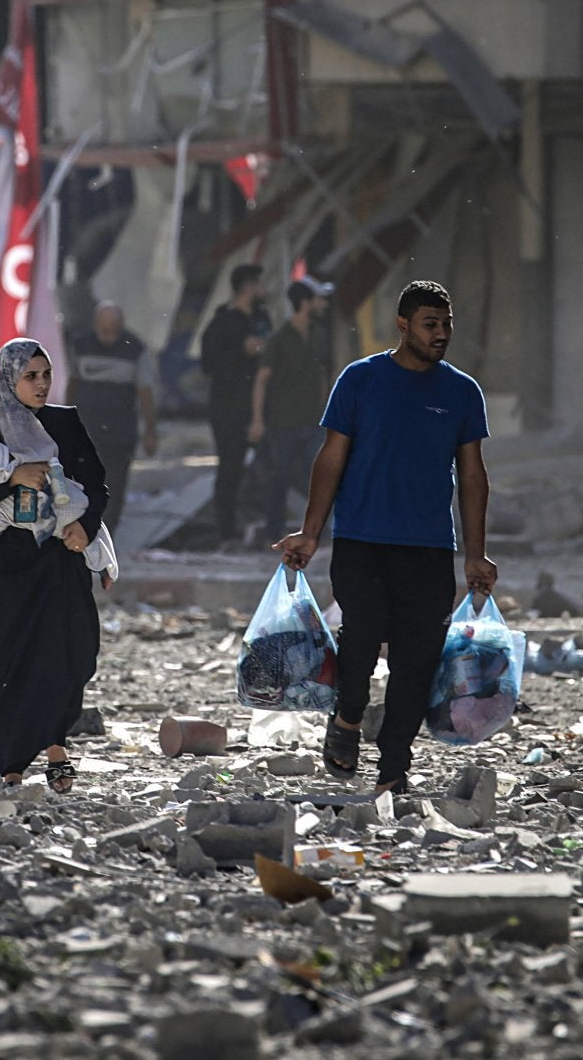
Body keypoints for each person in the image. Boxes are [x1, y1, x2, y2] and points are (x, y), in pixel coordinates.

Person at [273, 280, 497, 794]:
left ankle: (394, 766)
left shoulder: (462, 391)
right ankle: (348, 717)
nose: (441, 334)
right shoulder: (361, 379)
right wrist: (310, 532)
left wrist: (476, 553)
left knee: (416, 664)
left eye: (446, 325)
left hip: (429, 548)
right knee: (362, 636)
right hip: (361, 540)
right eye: (430, 324)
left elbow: (473, 475)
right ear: (403, 325)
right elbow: (331, 457)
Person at [0, 339, 108, 793]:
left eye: (46, 375)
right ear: (8, 378)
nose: (40, 385)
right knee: (12, 654)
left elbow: (96, 484)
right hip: (9, 561)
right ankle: (14, 759)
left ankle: (56, 739)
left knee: (71, 649)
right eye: (30, 376)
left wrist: (87, 525)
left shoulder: (64, 421)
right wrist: (12, 478)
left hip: (61, 553)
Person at [252, 276, 335, 538]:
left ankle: (317, 531)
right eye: (318, 299)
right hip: (283, 422)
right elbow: (262, 380)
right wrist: (257, 419)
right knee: (279, 479)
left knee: (322, 476)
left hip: (314, 421)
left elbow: (324, 375)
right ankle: (275, 532)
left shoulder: (320, 336)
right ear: (305, 302)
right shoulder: (279, 340)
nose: (323, 304)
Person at [65, 302, 157, 532]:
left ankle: (107, 532)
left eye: (114, 330)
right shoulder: (81, 345)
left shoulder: (134, 348)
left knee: (115, 484)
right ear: (96, 325)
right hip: (87, 428)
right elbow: (72, 383)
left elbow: (145, 392)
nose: (109, 337)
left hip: (121, 429)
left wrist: (150, 430)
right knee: (84, 481)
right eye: (105, 330)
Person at [200, 263, 273, 547]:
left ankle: (265, 526)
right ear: (247, 287)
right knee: (230, 469)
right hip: (229, 409)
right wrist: (241, 351)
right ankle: (227, 532)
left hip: (262, 407)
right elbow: (209, 365)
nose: (264, 290)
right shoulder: (222, 323)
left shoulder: (261, 319)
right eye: (259, 284)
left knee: (270, 467)